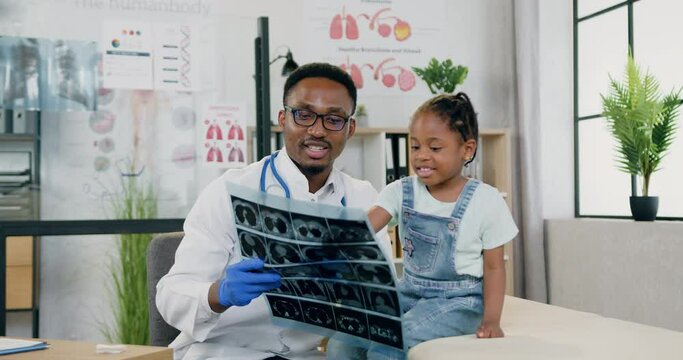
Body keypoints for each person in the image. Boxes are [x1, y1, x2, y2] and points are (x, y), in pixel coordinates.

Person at [156, 63, 392, 360]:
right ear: (283, 119)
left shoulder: (363, 200)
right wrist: (220, 292)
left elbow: (382, 299)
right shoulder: (230, 189)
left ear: (350, 128)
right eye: (303, 115)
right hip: (221, 352)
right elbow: (169, 296)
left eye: (333, 119)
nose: (317, 130)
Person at [327, 93, 518, 359]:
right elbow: (366, 226)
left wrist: (492, 320)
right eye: (415, 147)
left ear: (467, 149)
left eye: (435, 148)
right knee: (344, 340)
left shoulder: (486, 200)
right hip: (410, 291)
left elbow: (495, 266)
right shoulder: (401, 191)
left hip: (460, 302)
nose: (422, 156)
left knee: (387, 342)